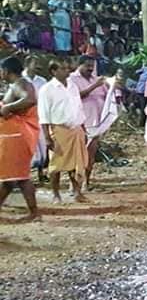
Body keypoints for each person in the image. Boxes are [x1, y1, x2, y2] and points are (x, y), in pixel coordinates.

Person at [37, 61, 89, 203]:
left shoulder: (72, 86)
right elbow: (44, 115)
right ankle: (56, 194)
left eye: (68, 68)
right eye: (63, 68)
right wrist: (47, 137)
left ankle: (77, 192)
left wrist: (83, 128)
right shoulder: (47, 89)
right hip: (59, 130)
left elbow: (78, 107)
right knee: (56, 165)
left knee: (76, 163)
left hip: (76, 128)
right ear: (53, 71)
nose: (67, 71)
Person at [0, 57, 41, 221]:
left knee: (21, 177)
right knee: (10, 178)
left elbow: (30, 99)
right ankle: (34, 213)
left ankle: (34, 213)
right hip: (14, 135)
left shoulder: (20, 84)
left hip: (17, 136)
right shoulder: (17, 85)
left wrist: (7, 107)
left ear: (6, 71)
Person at [69, 56, 112, 189]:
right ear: (79, 65)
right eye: (87, 66)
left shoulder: (96, 79)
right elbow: (76, 96)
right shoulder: (71, 79)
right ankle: (74, 184)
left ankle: (86, 182)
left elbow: (108, 96)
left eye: (92, 66)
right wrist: (94, 86)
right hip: (79, 123)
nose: (90, 69)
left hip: (96, 123)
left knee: (90, 154)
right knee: (77, 155)